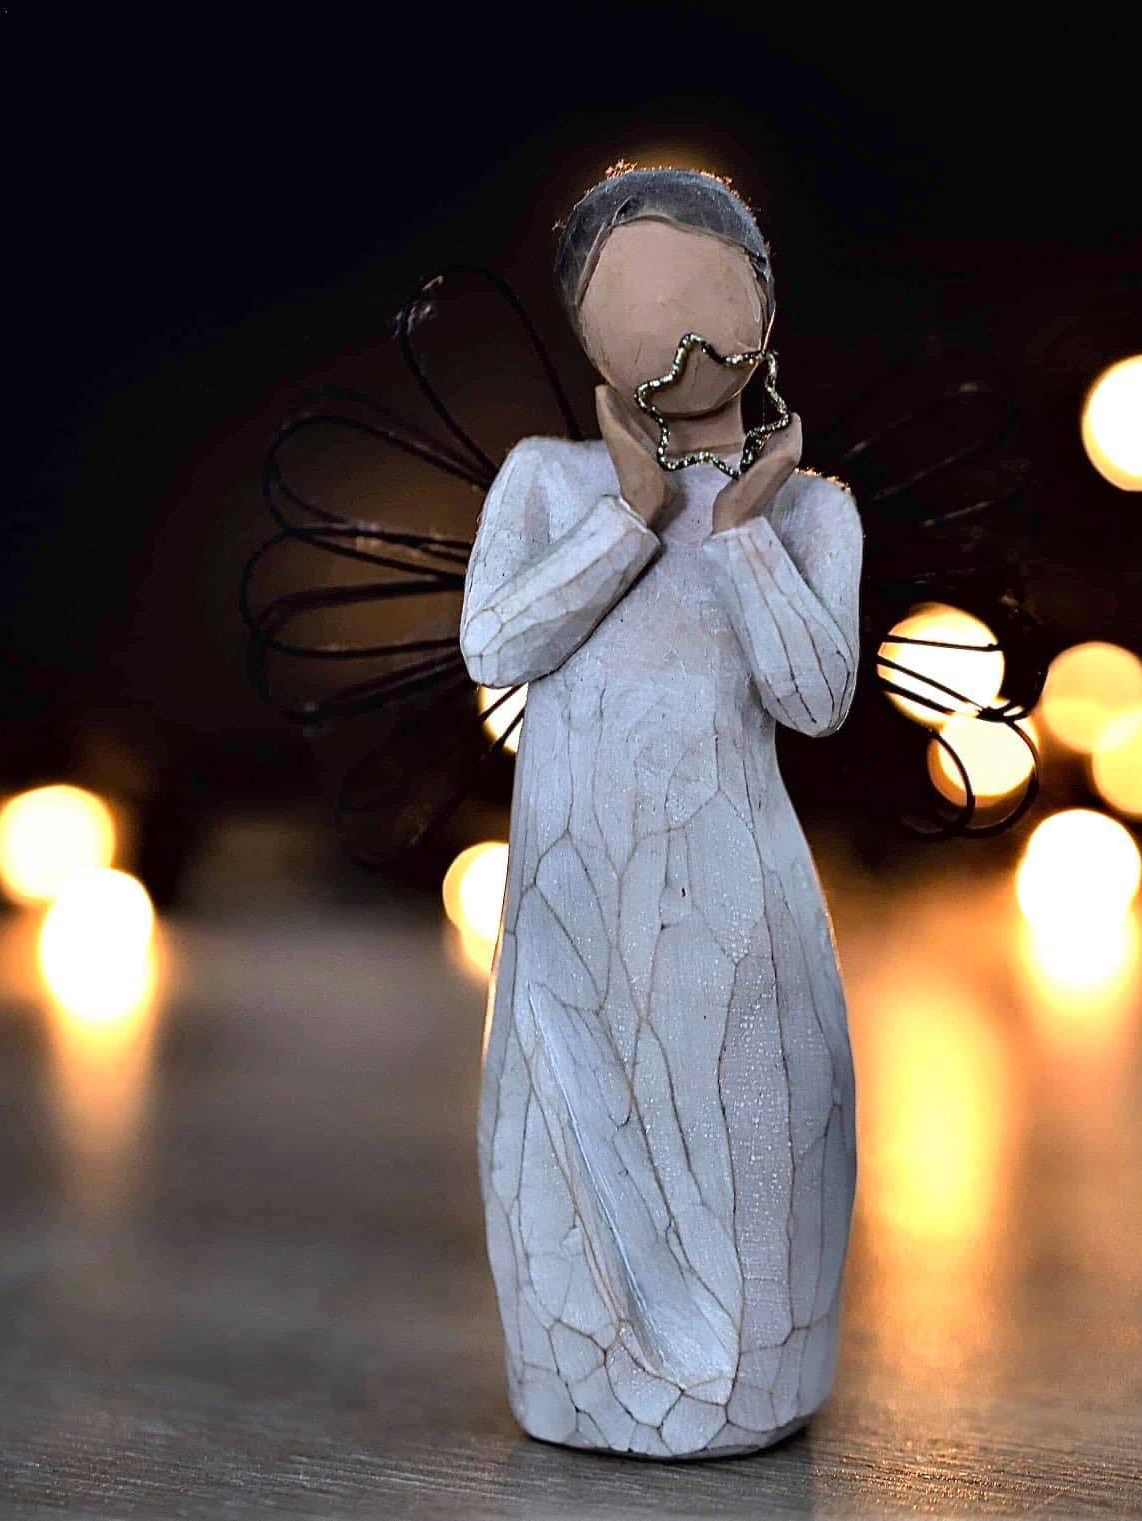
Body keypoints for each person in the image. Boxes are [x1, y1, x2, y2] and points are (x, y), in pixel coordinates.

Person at [461, 165, 863, 1459]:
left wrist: (739, 530)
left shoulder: (813, 509)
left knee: (749, 1156)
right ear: (588, 336)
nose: (682, 346)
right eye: (640, 315)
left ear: (763, 305)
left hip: (736, 915)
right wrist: (632, 517)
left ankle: (752, 1380)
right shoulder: (544, 480)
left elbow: (815, 696)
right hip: (571, 915)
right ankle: (581, 1380)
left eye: (708, 307)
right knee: (565, 1151)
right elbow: (495, 644)